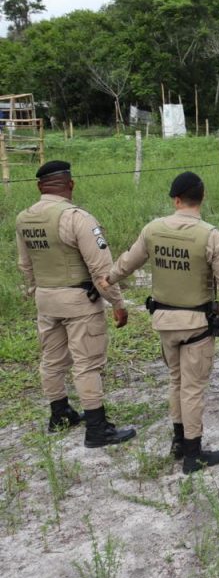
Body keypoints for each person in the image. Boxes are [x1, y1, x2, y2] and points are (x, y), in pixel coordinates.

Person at [103, 172, 219, 472]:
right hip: (196, 325)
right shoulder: (211, 236)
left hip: (164, 321)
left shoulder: (153, 229)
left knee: (176, 381)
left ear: (176, 200)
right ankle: (193, 455)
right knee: (193, 388)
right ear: (202, 198)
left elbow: (128, 262)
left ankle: (179, 441)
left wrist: (109, 278)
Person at [15, 160, 136, 447]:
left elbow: (25, 264)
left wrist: (38, 292)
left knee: (52, 360)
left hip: (46, 299)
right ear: (70, 184)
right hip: (79, 303)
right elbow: (101, 269)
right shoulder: (77, 218)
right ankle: (97, 428)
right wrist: (117, 302)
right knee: (87, 364)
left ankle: (59, 414)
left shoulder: (24, 219)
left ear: (39, 187)